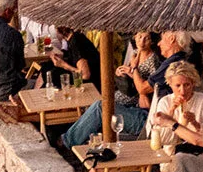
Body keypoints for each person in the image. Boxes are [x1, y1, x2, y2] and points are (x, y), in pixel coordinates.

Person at [89, 62, 203, 172]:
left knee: (178, 164)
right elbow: (161, 140)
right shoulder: (165, 102)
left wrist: (194, 123)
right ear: (170, 84)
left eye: (186, 85)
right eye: (177, 86)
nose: (182, 91)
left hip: (200, 156)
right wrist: (170, 112)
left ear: (193, 83)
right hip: (168, 154)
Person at [62, 30, 191, 147]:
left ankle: (67, 141)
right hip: (145, 112)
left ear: (172, 39)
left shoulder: (172, 65)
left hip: (149, 122)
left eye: (162, 39)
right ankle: (78, 140)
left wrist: (134, 68)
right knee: (102, 108)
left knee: (101, 107)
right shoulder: (177, 61)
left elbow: (143, 89)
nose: (158, 44)